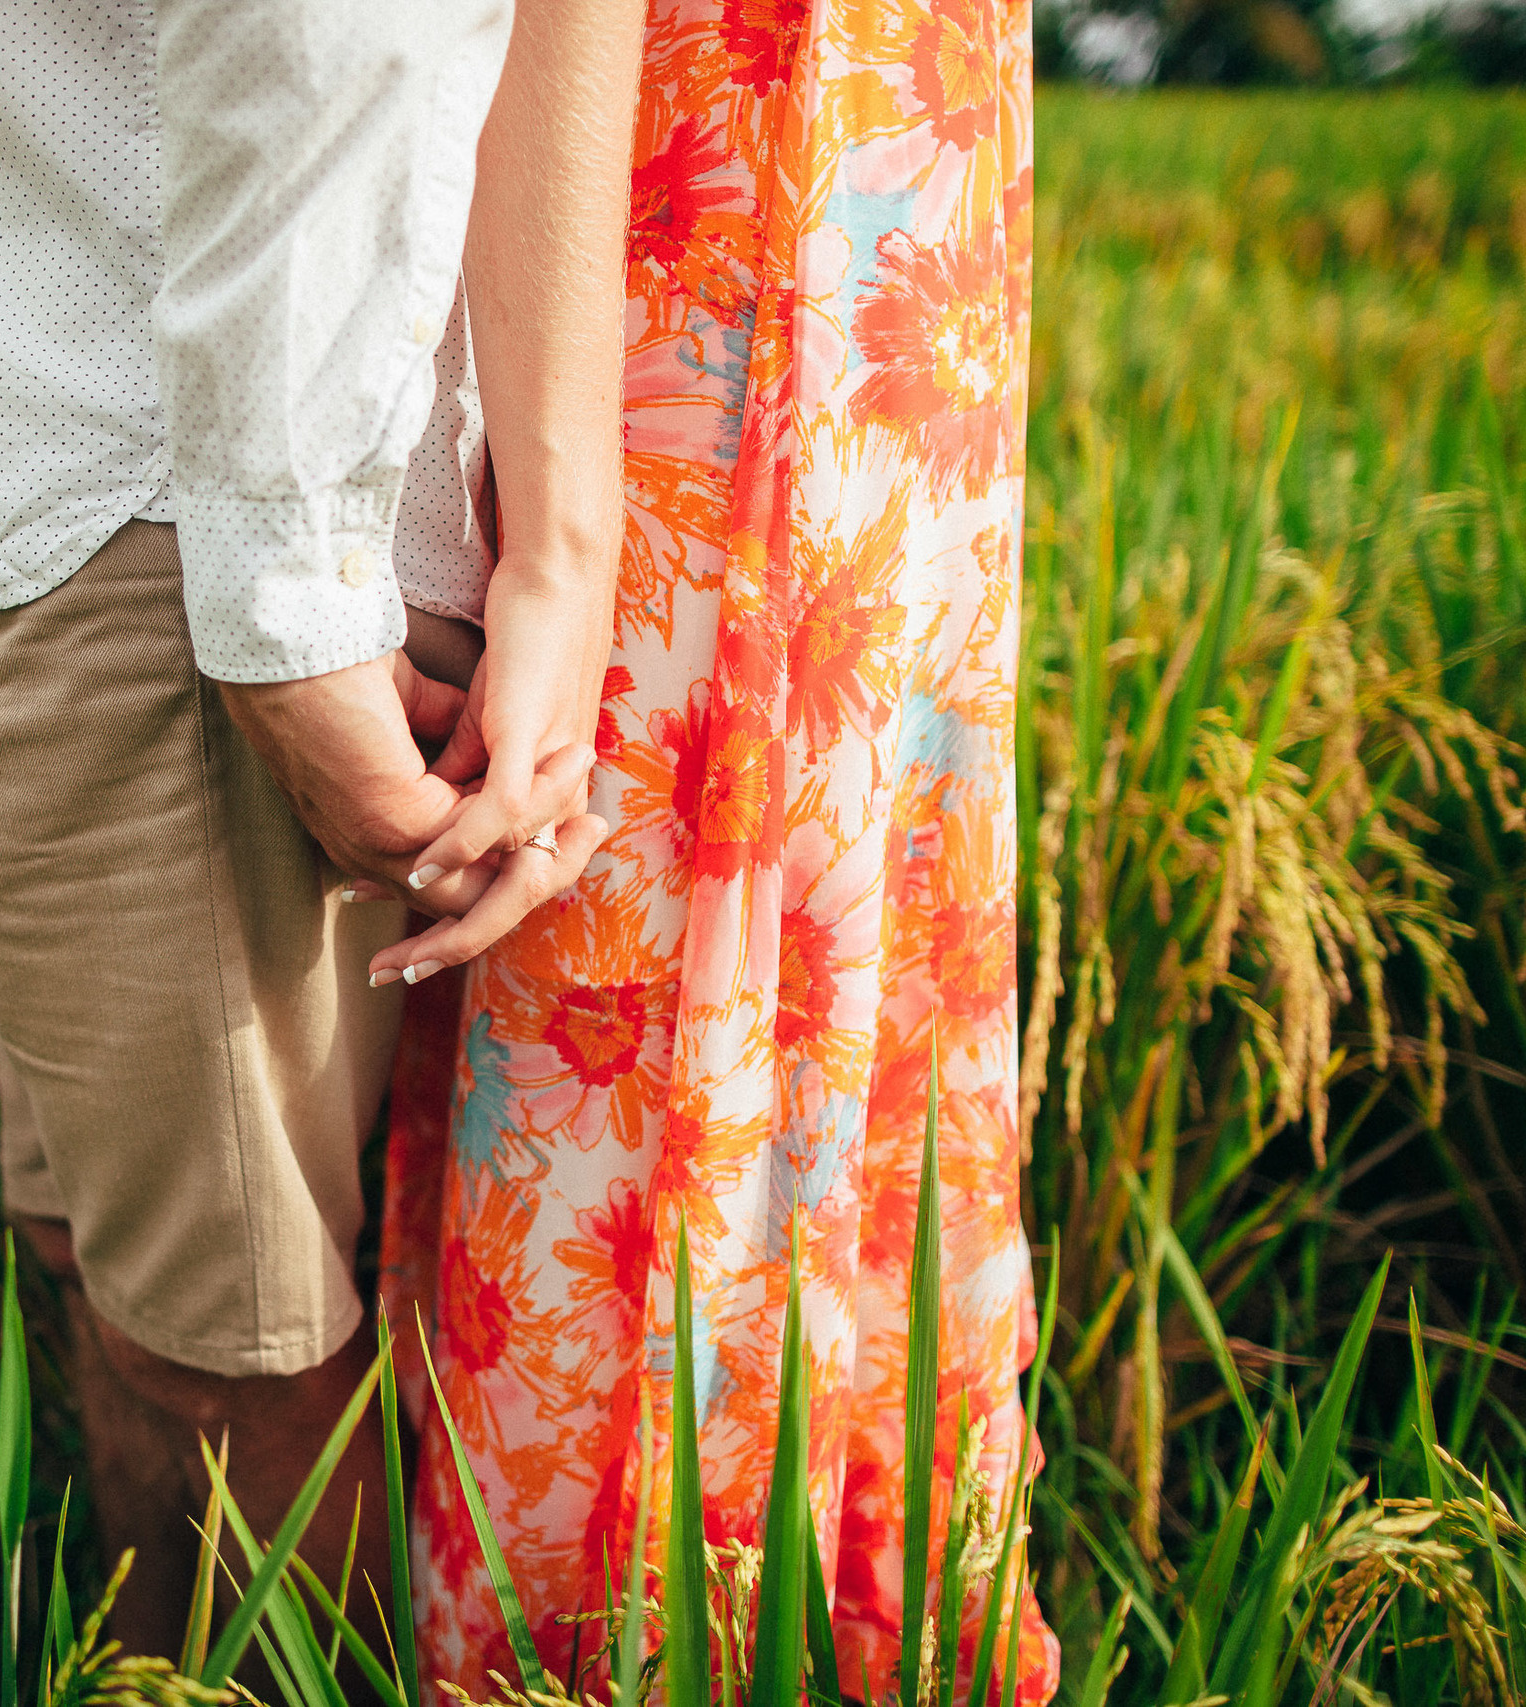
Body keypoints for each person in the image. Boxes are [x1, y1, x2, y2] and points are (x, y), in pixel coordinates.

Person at [0, 0, 626, 1660]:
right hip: (69, 475)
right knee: (118, 1285)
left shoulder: (206, 553)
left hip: (152, 497)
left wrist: (283, 601)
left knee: (229, 1361)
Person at [370, 0, 1063, 1697]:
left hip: (878, 218)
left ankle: (734, 1596)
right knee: (641, 904)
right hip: (724, 209)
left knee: (820, 886)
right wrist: (558, 535)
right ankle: (630, 1615)